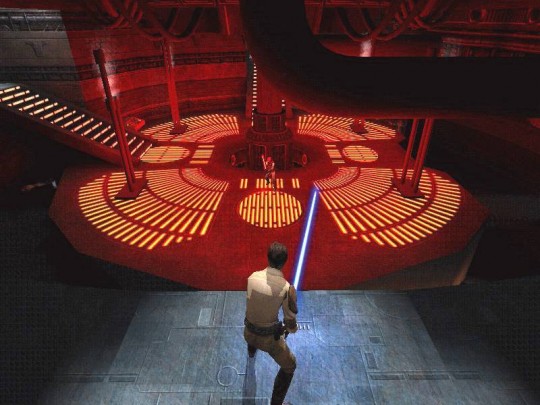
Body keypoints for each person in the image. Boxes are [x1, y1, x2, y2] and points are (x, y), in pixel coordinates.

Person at [244, 242, 298, 405]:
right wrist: (292, 329)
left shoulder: (252, 277)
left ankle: (251, 351)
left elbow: (254, 305)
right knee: (290, 366)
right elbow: (290, 322)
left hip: (248, 333)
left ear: (268, 259)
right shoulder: (286, 288)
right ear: (284, 263)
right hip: (268, 341)